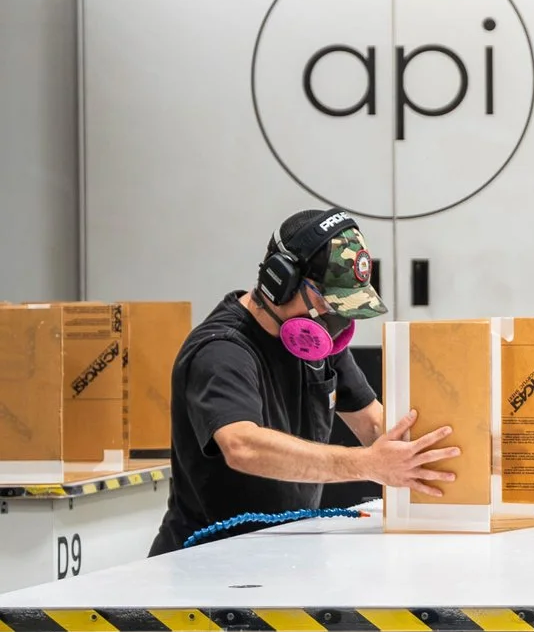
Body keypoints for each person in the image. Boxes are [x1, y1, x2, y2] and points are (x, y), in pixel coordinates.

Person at [149, 209, 459, 555]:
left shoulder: (316, 345)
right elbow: (243, 446)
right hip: (209, 561)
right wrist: (367, 464)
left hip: (286, 553)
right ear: (280, 280)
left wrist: (454, 465)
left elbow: (374, 424)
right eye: (329, 303)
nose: (335, 320)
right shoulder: (222, 351)